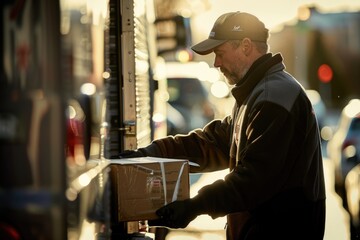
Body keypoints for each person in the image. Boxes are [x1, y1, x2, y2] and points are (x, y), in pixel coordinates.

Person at [120, 11, 326, 240]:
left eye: (220, 53)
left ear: (246, 46)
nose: (216, 63)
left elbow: (255, 179)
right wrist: (152, 154)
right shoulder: (256, 94)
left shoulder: (274, 98)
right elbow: (212, 143)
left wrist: (194, 206)